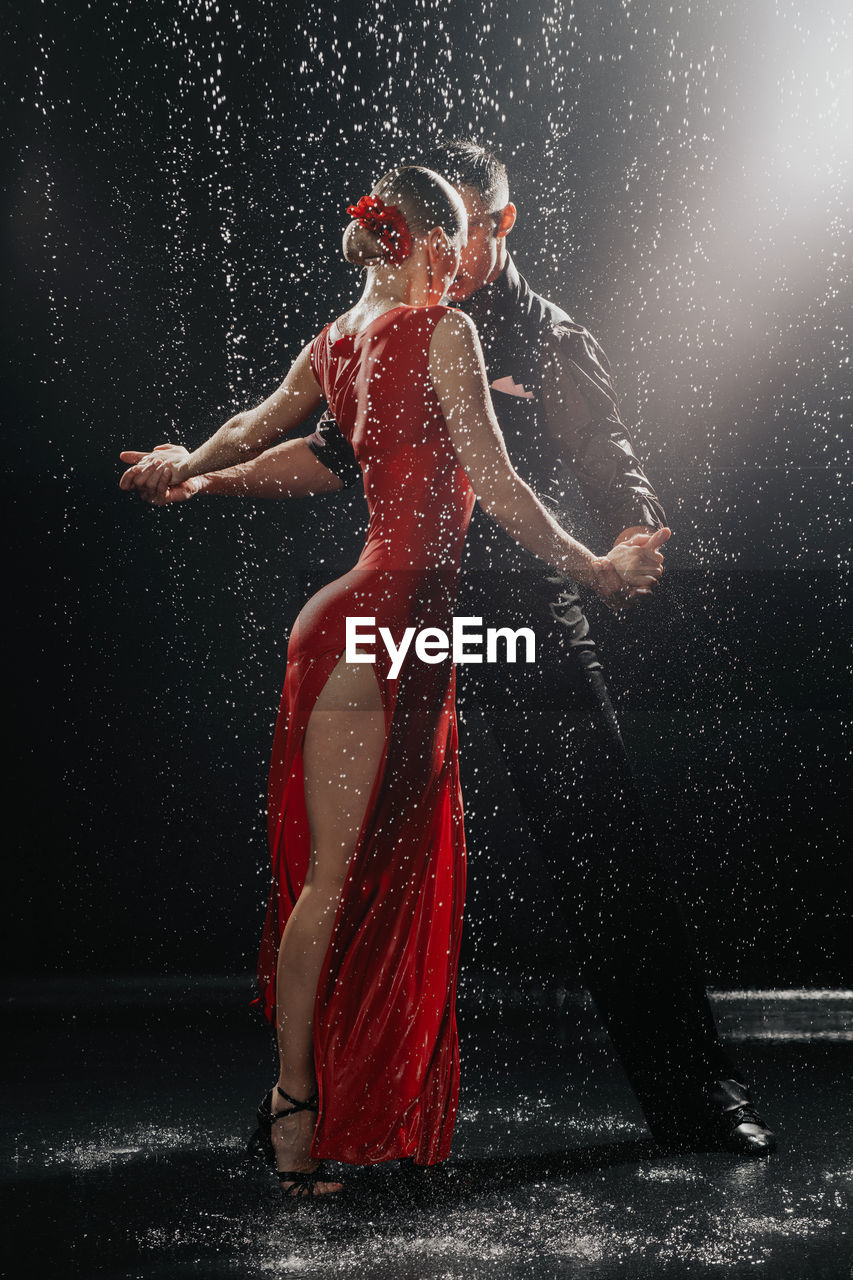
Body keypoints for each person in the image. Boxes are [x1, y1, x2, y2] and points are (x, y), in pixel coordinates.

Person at [121, 140, 777, 1159]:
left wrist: (624, 537)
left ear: (496, 227)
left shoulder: (541, 332)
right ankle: (320, 1095)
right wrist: (207, 480)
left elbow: (606, 453)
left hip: (513, 619)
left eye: (464, 232)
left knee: (601, 849)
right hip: (402, 614)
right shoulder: (399, 320)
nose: (446, 253)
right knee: (360, 859)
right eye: (430, 232)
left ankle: (695, 1094)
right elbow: (330, 452)